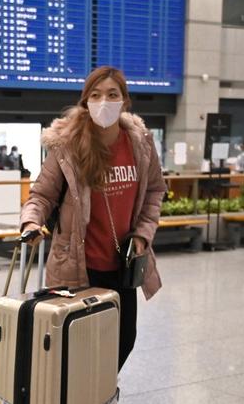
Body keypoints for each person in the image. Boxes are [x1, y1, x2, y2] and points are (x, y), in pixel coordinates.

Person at [20, 66, 166, 371]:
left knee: (124, 341)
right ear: (85, 102)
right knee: (79, 348)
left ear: (125, 101)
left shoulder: (140, 144)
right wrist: (32, 221)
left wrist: (142, 234)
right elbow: (42, 195)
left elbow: (154, 191)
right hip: (77, 267)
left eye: (112, 94)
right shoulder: (68, 146)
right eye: (96, 95)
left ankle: (96, 403)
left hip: (124, 264)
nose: (104, 102)